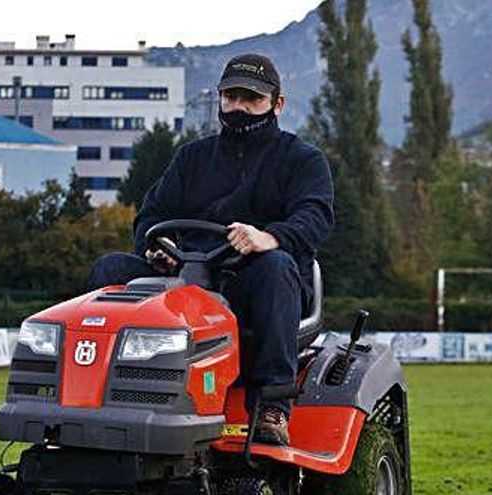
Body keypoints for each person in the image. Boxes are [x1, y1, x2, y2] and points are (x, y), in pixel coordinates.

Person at [87, 53, 334, 446]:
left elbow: (315, 217)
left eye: (251, 99)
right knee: (110, 270)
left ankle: (271, 407)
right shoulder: (192, 158)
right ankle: (100, 395)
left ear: (276, 104)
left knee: (276, 267)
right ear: (220, 99)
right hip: (186, 279)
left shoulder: (302, 160)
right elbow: (151, 214)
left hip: (254, 281)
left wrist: (269, 237)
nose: (239, 108)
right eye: (231, 97)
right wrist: (158, 246)